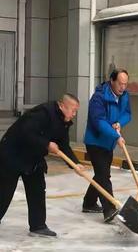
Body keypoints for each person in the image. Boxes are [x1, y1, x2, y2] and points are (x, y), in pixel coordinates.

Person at [0, 94, 83, 237]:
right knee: (4, 191)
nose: (74, 115)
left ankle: (38, 226)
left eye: (76, 111)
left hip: (33, 157)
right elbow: (26, 132)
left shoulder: (64, 121)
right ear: (62, 106)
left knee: (37, 189)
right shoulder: (44, 112)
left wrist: (75, 164)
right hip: (13, 153)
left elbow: (64, 145)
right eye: (72, 110)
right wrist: (46, 144)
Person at [83, 69, 131, 221]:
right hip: (95, 141)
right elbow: (99, 122)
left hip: (108, 143)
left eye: (125, 84)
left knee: (101, 174)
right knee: (104, 175)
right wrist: (115, 135)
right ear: (112, 80)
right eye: (120, 83)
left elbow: (127, 114)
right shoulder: (99, 97)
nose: (123, 87)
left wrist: (119, 123)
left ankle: (89, 203)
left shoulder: (124, 96)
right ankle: (109, 209)